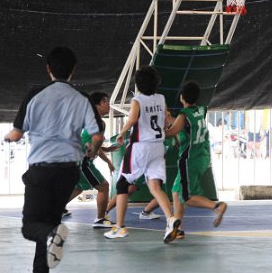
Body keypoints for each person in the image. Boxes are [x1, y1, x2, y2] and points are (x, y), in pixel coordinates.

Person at [4, 46, 104, 272]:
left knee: (30, 227)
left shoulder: (35, 94)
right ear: (74, 70)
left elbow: (17, 133)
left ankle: (52, 235)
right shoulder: (83, 98)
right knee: (50, 224)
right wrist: (92, 149)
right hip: (68, 171)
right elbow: (97, 135)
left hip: (41, 169)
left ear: (48, 68)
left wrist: (9, 138)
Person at [103, 66, 180, 242]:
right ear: (157, 83)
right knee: (155, 187)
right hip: (158, 147)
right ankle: (171, 219)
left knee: (122, 184)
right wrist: (175, 137)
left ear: (138, 84)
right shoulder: (161, 98)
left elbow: (132, 119)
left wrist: (122, 132)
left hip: (140, 147)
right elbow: (167, 120)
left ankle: (120, 227)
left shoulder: (137, 100)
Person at [165, 81, 227, 237]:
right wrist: (170, 118)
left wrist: (154, 130)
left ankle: (216, 206)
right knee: (176, 192)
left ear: (182, 97)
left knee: (187, 197)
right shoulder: (201, 110)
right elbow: (184, 125)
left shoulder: (184, 114)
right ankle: (177, 229)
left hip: (189, 160)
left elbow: (172, 131)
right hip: (201, 157)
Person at [65, 91, 116, 228]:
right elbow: (95, 143)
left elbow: (93, 144)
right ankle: (100, 219)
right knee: (104, 187)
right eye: (105, 101)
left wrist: (107, 152)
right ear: (96, 105)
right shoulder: (96, 121)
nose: (108, 104)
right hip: (82, 162)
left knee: (77, 189)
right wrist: (93, 149)